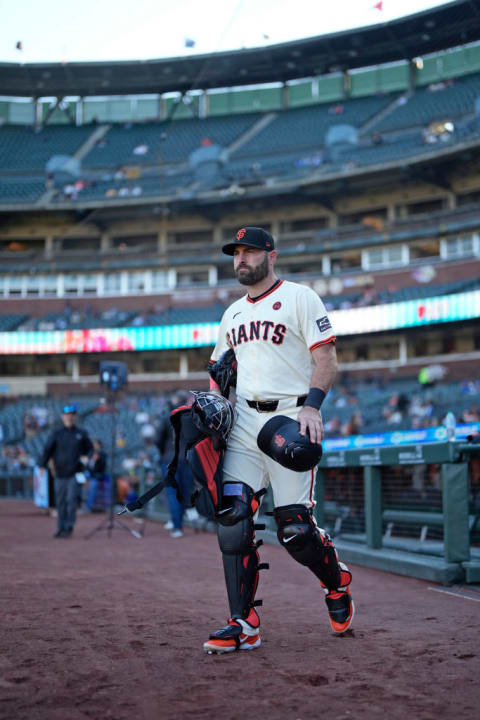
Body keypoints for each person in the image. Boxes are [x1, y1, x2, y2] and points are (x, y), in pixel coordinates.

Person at [203, 226, 354, 654]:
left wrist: (312, 406)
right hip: (245, 421)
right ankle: (243, 622)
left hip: (290, 415)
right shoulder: (231, 314)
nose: (241, 260)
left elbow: (326, 359)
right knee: (232, 517)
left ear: (271, 255)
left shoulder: (301, 297)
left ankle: (336, 582)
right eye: (236, 253)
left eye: (249, 251)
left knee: (296, 532)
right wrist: (214, 407)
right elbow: (218, 373)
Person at [39, 404, 93, 538]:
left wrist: (87, 456)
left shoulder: (81, 433)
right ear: (63, 417)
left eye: (72, 415)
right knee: (61, 501)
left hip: (75, 473)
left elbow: (90, 449)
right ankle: (61, 527)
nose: (69, 417)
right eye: (67, 415)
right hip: (60, 473)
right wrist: (42, 465)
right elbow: (48, 450)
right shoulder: (56, 434)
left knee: (71, 500)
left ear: (75, 417)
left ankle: (69, 526)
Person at [155, 393, 193, 538]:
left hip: (170, 459)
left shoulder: (168, 417)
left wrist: (163, 452)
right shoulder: (191, 417)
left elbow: (158, 439)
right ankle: (177, 521)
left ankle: (176, 525)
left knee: (172, 493)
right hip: (186, 459)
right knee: (183, 492)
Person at [84, 439, 107, 512]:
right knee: (80, 481)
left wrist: (98, 459)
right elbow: (87, 464)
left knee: (92, 486)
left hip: (97, 475)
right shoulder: (91, 452)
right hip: (88, 474)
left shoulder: (102, 454)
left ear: (99, 445)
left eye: (96, 444)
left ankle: (88, 507)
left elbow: (102, 466)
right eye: (94, 444)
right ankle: (80, 503)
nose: (94, 446)